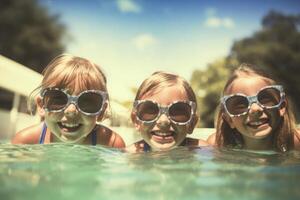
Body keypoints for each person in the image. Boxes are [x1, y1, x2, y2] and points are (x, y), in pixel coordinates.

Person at [11, 54, 125, 148]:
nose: (71, 110)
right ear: (41, 106)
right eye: (58, 99)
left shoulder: (111, 143)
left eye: (87, 102)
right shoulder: (26, 142)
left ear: (101, 111)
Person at [207, 63, 300, 152]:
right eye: (241, 105)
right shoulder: (217, 145)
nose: (255, 109)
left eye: (265, 99)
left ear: (282, 107)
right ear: (229, 120)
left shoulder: (295, 143)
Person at [126, 71, 208, 152]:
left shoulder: (202, 150)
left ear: (192, 124)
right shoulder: (131, 154)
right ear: (136, 121)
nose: (163, 121)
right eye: (151, 111)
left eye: (177, 112)